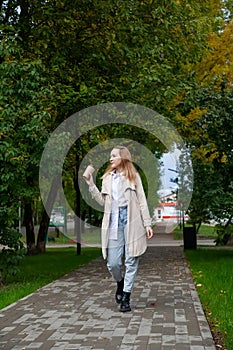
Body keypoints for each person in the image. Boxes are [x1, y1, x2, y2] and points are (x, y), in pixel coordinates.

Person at [84, 145, 153, 312]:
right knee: (113, 263)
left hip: (132, 221)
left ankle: (126, 297)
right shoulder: (107, 178)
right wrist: (90, 183)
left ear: (123, 157)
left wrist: (147, 223)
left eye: (114, 155)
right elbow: (102, 201)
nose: (111, 158)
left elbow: (142, 200)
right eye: (110, 156)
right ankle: (120, 283)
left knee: (131, 260)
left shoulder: (133, 177)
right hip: (114, 222)